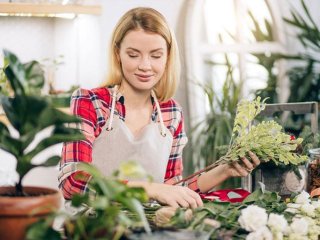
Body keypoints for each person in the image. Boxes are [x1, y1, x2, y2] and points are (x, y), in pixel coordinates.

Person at [59, 7, 260, 209]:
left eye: (155, 55)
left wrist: (223, 170)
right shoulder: (90, 102)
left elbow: (172, 188)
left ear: (167, 57)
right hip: (92, 228)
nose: (145, 65)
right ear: (117, 54)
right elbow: (73, 183)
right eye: (133, 55)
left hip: (147, 228)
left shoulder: (170, 113)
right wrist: (150, 189)